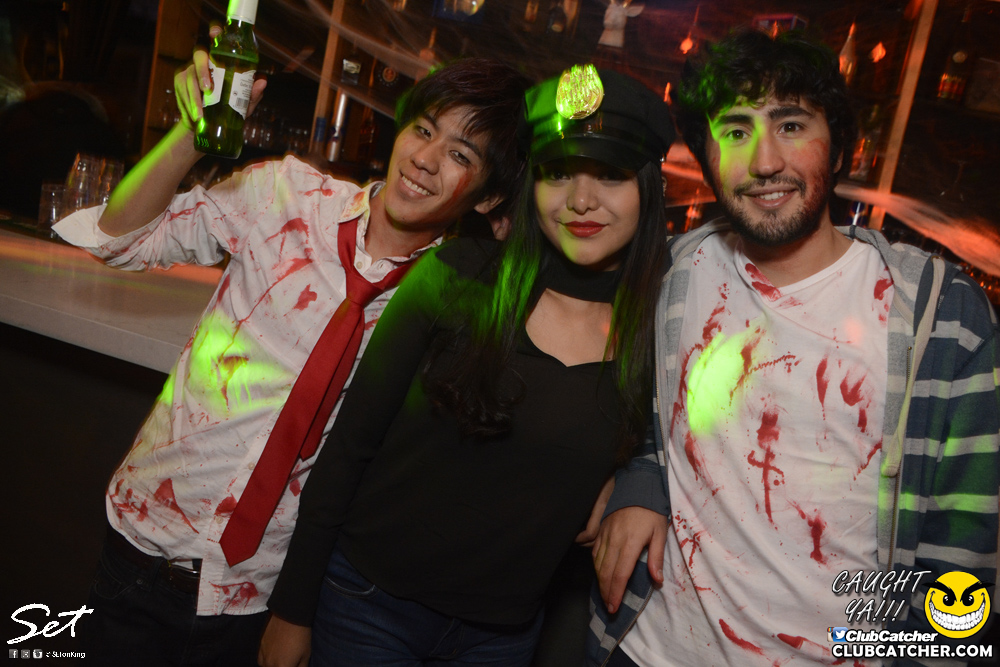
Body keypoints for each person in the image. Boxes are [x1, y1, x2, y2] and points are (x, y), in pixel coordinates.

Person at [52, 47, 530, 666]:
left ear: (489, 199)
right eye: (423, 129)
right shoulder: (284, 195)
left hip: (261, 594)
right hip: (144, 545)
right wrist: (191, 134)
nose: (425, 158)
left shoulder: (452, 305)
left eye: (461, 155)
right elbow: (121, 239)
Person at [587, 28, 1000, 666]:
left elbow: (964, 556)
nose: (764, 162)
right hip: (651, 651)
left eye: (791, 125)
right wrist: (643, 481)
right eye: (735, 131)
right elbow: (638, 410)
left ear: (838, 147)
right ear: (705, 154)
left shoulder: (939, 315)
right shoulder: (673, 273)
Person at [257, 64, 675, 667]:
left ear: (648, 188)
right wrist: (292, 610)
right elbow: (347, 451)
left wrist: (632, 482)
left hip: (502, 638)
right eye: (558, 172)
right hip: (367, 607)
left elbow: (676, 449)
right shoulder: (456, 275)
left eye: (610, 174)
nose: (581, 200)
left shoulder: (660, 328)